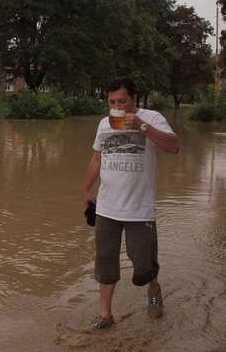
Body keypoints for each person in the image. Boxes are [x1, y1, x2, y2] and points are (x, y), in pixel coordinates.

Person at [82, 77, 180, 329]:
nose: (117, 106)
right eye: (112, 102)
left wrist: (141, 127)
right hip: (107, 207)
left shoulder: (152, 117)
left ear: (133, 99)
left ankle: (153, 287)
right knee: (105, 263)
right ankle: (105, 315)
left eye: (122, 101)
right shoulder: (104, 123)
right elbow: (97, 158)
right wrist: (85, 189)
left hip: (139, 209)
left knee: (144, 266)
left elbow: (174, 146)